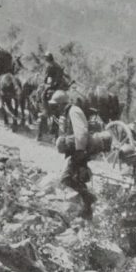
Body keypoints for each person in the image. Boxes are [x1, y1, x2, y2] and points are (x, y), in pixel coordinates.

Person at [51, 90, 97, 219]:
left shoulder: (73, 111)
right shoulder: (67, 113)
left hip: (80, 151)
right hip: (78, 151)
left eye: (56, 105)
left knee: (66, 178)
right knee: (78, 178)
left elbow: (81, 132)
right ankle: (87, 211)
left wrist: (80, 151)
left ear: (61, 104)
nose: (56, 108)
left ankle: (89, 199)